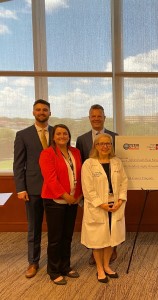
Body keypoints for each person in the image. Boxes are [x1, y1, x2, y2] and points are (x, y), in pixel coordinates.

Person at [13, 99, 53, 278]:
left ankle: (55, 262)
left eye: (45, 109)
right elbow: (18, 164)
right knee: (34, 228)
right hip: (33, 189)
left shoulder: (57, 133)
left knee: (55, 227)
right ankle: (33, 262)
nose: (41, 112)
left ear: (50, 113)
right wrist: (21, 188)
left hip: (54, 189)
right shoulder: (23, 135)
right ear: (33, 112)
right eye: (38, 109)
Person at [81, 133, 128, 283]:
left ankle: (107, 266)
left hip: (114, 205)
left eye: (108, 143)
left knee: (110, 239)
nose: (105, 146)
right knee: (97, 240)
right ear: (95, 146)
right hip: (98, 207)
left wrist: (120, 200)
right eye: (101, 143)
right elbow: (87, 189)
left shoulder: (116, 162)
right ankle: (99, 269)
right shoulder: (89, 164)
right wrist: (101, 205)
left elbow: (123, 182)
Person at [39, 124, 82, 285]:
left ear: (69, 136)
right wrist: (65, 195)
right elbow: (50, 180)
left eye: (65, 133)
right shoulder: (47, 154)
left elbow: (79, 173)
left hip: (73, 200)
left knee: (67, 236)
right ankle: (54, 270)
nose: (62, 136)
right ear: (53, 137)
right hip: (55, 201)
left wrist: (78, 195)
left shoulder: (75, 152)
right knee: (55, 238)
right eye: (58, 134)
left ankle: (65, 266)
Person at [76, 104, 118, 265]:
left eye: (99, 116)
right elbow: (81, 166)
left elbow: (117, 161)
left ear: (104, 117)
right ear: (89, 118)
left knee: (112, 222)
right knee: (96, 225)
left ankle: (113, 249)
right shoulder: (82, 139)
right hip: (93, 189)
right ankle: (96, 252)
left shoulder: (115, 136)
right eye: (93, 116)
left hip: (111, 189)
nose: (96, 119)